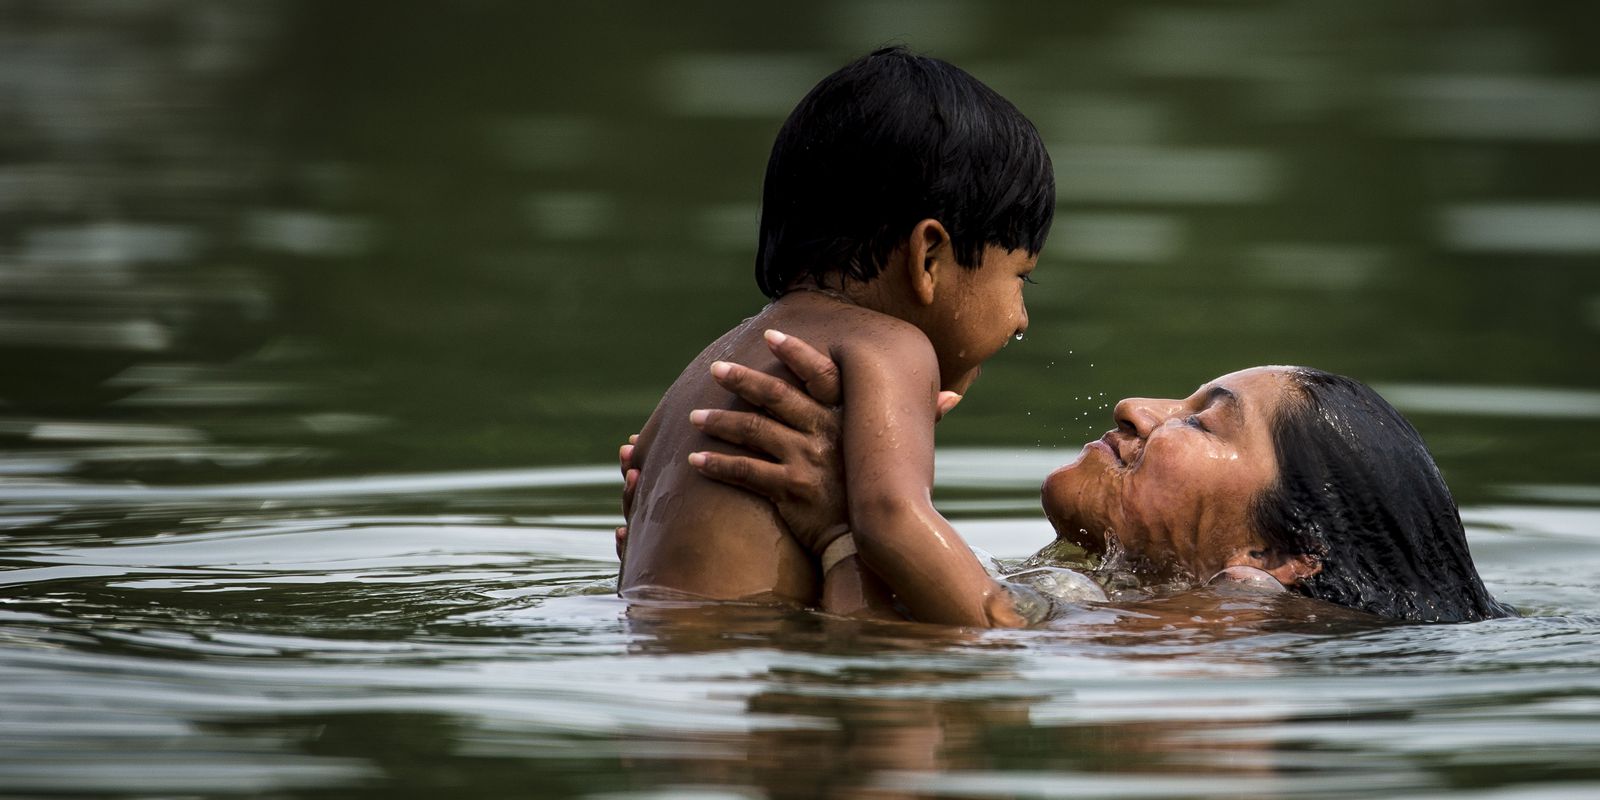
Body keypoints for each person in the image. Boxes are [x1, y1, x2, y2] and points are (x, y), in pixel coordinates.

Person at [634, 331, 1513, 625]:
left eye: (1202, 421)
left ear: (1274, 554)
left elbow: (905, 677)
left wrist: (842, 523)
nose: (1136, 406)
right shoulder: (1117, 603)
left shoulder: (1212, 641)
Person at [618, 46, 1054, 628]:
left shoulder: (712, 361)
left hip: (654, 670)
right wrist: (1002, 620)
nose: (1021, 318)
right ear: (928, 257)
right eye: (1021, 278)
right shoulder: (892, 347)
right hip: (756, 671)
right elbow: (891, 518)